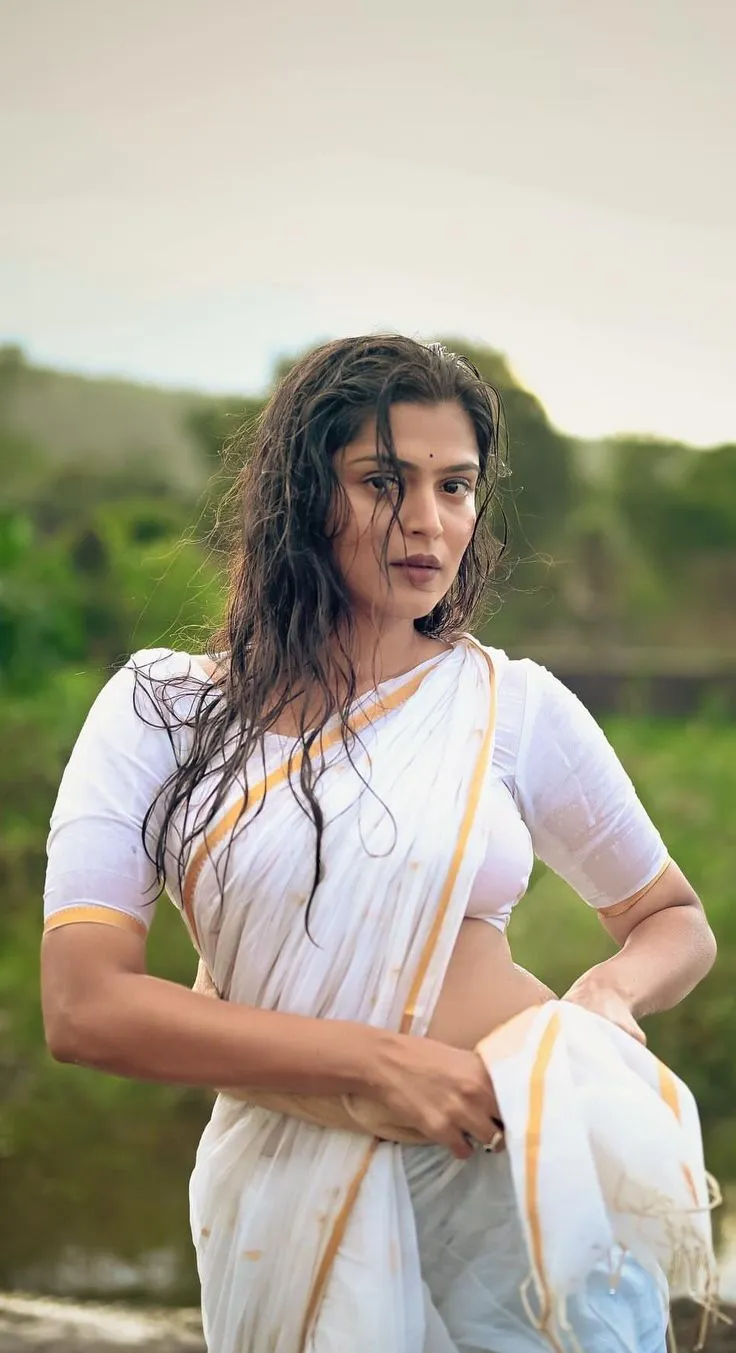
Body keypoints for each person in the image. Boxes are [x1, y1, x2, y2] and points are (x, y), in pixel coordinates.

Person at [41, 336, 718, 1353]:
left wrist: (606, 997)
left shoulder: (509, 706)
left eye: (456, 486)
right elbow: (84, 1008)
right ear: (301, 495)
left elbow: (671, 919)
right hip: (284, 1191)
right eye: (381, 482)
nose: (427, 521)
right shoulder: (163, 711)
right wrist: (381, 1067)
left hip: (515, 1177)